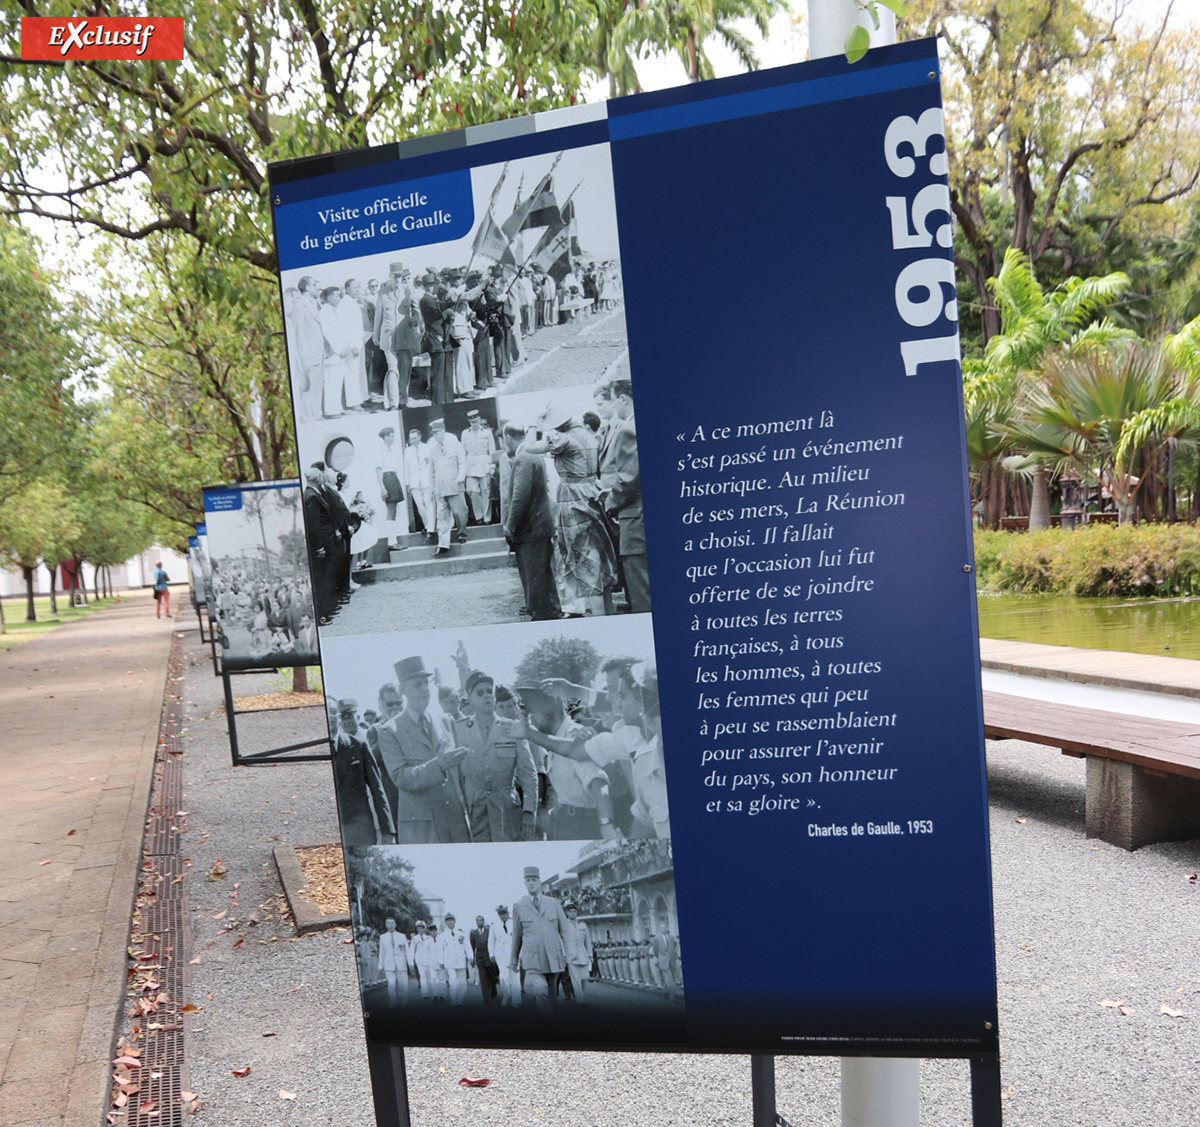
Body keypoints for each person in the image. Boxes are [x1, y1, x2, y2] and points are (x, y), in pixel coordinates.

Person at [526, 403, 616, 617]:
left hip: (573, 498)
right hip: (592, 492)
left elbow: (529, 447)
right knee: (598, 558)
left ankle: (600, 620)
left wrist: (533, 423)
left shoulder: (563, 439)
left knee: (586, 562)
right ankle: (608, 613)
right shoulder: (588, 435)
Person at [372, 656, 470, 843]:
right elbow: (400, 776)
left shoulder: (446, 721)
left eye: (426, 683)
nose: (425, 689)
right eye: (417, 685)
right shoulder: (389, 730)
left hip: (455, 822)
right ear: (402, 691)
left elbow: (460, 776)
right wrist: (438, 766)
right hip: (423, 828)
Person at [512, 685, 616, 841]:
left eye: (532, 715)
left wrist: (606, 824)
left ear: (544, 715)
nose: (531, 721)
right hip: (568, 818)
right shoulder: (555, 738)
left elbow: (598, 783)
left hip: (583, 824)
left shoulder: (574, 735)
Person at [452, 669, 538, 843]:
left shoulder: (512, 727)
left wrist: (529, 811)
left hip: (507, 811)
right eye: (480, 693)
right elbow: (456, 779)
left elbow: (528, 773)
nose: (487, 696)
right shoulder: (458, 730)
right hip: (475, 812)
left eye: (489, 692)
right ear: (470, 699)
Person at [596, 378, 649, 613]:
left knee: (643, 596)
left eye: (614, 400)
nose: (613, 405)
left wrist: (609, 502)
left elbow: (629, 480)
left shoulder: (628, 428)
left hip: (635, 521)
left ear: (623, 399)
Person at [501, 422, 561, 621]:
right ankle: (551, 613)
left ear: (508, 438)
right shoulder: (534, 455)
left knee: (534, 580)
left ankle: (542, 617)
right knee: (544, 578)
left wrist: (510, 526)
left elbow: (520, 497)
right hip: (540, 526)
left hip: (530, 529)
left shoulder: (523, 458)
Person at [509, 865, 570, 1013]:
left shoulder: (553, 903)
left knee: (552, 996)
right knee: (541, 991)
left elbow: (565, 930)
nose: (531, 883)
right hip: (533, 958)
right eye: (528, 880)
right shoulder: (519, 906)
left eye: (534, 880)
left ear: (540, 882)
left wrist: (570, 951)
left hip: (553, 957)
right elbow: (517, 935)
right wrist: (514, 959)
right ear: (525, 883)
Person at [373, 262, 422, 409]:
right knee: (393, 369)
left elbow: (416, 311)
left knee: (404, 370)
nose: (398, 279)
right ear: (390, 276)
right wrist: (376, 334)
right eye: (395, 277)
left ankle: (403, 401)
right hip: (388, 337)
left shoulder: (409, 291)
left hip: (405, 337)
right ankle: (393, 403)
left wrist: (416, 320)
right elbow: (378, 316)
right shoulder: (383, 292)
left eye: (400, 276)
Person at [427, 418, 469, 555]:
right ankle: (443, 544)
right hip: (440, 488)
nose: (435, 436)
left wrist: (461, 476)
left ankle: (461, 533)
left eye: (437, 433)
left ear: (443, 432)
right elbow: (431, 472)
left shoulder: (455, 444)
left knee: (459, 512)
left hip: (454, 484)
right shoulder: (433, 449)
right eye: (433, 434)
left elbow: (462, 463)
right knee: (442, 516)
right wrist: (432, 488)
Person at [461, 410, 496, 525]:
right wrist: (462, 468)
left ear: (480, 420)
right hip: (470, 465)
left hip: (484, 464)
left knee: (486, 491)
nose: (474, 424)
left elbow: (492, 450)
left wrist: (492, 466)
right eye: (472, 422)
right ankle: (478, 516)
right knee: (472, 491)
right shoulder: (465, 433)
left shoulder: (486, 432)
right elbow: (462, 452)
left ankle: (487, 518)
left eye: (476, 421)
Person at [375, 426, 406, 543]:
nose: (393, 438)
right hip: (387, 479)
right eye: (392, 436)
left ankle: (394, 541)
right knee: (391, 510)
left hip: (394, 478)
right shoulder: (381, 450)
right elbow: (378, 470)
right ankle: (391, 542)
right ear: (386, 437)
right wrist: (382, 488)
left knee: (394, 510)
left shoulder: (391, 450)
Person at [404, 427, 435, 541]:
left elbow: (431, 466)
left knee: (428, 504)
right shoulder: (407, 451)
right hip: (414, 482)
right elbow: (406, 468)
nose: (413, 440)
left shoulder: (427, 448)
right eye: (411, 439)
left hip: (426, 481)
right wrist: (408, 483)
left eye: (415, 438)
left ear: (420, 437)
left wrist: (432, 481)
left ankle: (430, 529)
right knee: (420, 506)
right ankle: (427, 525)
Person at [437, 913, 472, 1005]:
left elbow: (467, 947)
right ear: (445, 922)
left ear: (454, 921)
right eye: (448, 920)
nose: (450, 922)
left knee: (463, 982)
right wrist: (441, 961)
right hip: (449, 961)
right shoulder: (441, 936)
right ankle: (454, 1000)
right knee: (453, 981)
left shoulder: (462, 934)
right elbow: (439, 950)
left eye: (451, 920)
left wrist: (470, 956)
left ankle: (460, 998)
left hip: (461, 960)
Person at [488, 905, 519, 1006]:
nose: (503, 915)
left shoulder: (514, 923)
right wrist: (491, 954)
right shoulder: (494, 925)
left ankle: (516, 1001)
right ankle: (507, 995)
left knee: (515, 979)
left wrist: (520, 954)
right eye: (501, 913)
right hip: (501, 955)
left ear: (508, 913)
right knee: (503, 978)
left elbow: (519, 940)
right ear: (498, 914)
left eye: (504, 913)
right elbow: (491, 941)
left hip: (514, 954)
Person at [563, 903, 593, 1004]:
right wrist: (563, 955)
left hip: (582, 953)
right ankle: (580, 1000)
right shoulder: (564, 925)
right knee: (575, 978)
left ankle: (579, 994)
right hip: (570, 954)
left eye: (574, 911)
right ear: (567, 913)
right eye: (570, 911)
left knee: (585, 977)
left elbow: (587, 941)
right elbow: (561, 941)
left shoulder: (582, 925)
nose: (572, 913)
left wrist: (590, 955)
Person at [377, 917, 411, 1006]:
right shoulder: (383, 937)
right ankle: (393, 1004)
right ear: (386, 925)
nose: (390, 925)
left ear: (395, 924)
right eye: (388, 923)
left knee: (403, 984)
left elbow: (407, 951)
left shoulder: (402, 936)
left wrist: (410, 963)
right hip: (388, 964)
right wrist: (380, 966)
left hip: (401, 963)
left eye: (392, 923)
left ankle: (403, 1002)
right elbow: (381, 952)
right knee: (391, 984)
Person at [470, 915, 498, 1003]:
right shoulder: (473, 933)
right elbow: (472, 947)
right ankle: (486, 998)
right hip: (480, 957)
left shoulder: (489, 931)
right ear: (476, 922)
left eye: (481, 920)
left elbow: (494, 943)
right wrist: (473, 958)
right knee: (483, 979)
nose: (479, 922)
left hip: (489, 956)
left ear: (484, 921)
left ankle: (493, 991)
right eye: (477, 920)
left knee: (492, 977)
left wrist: (494, 956)